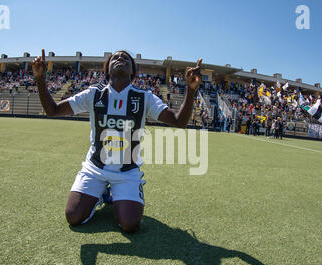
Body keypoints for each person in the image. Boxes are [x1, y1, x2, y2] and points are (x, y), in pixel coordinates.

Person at [32, 49, 202, 233]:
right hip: (95, 168)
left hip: (126, 172)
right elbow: (52, 110)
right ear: (107, 70)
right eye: (115, 57)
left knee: (130, 225)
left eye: (125, 58)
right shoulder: (93, 94)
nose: (120, 58)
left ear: (133, 72)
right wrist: (40, 80)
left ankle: (119, 192)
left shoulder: (144, 97)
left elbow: (179, 121)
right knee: (73, 216)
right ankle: (100, 193)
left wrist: (191, 91)